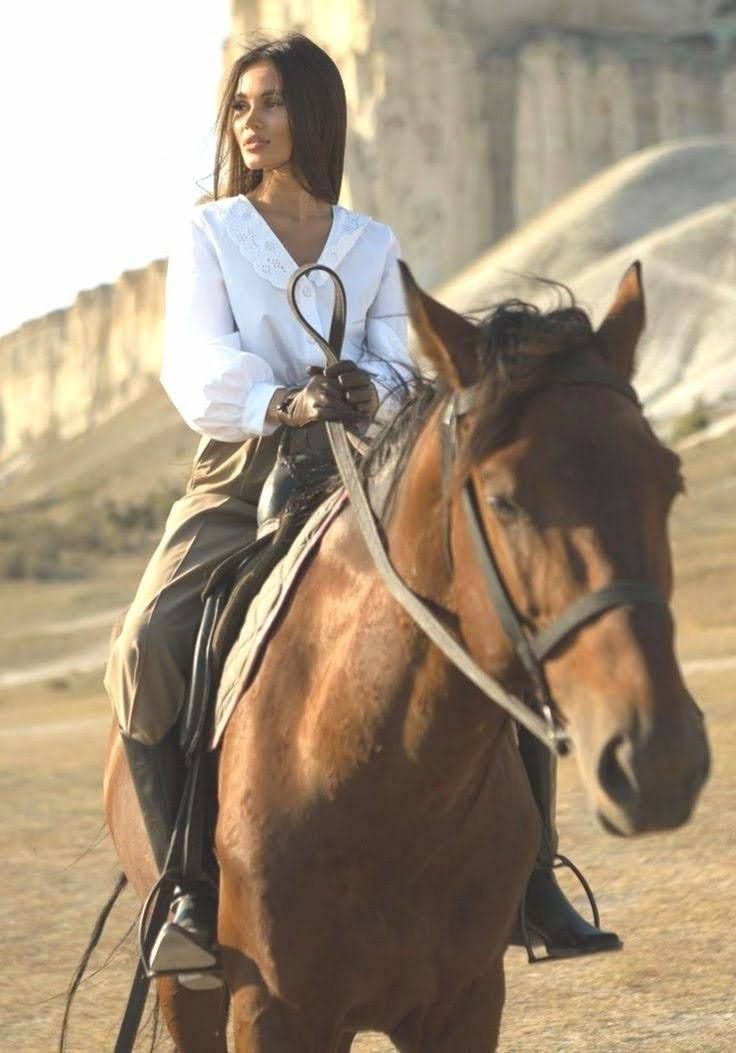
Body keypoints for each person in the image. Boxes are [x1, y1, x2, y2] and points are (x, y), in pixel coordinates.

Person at [104, 31, 618, 990]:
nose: (251, 124)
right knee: (143, 645)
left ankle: (533, 878)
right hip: (243, 465)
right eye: (241, 106)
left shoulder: (368, 242)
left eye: (271, 103)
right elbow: (198, 363)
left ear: (315, 113)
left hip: (365, 465)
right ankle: (184, 891)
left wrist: (362, 388)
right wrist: (286, 400)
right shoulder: (212, 233)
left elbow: (398, 355)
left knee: (488, 615)